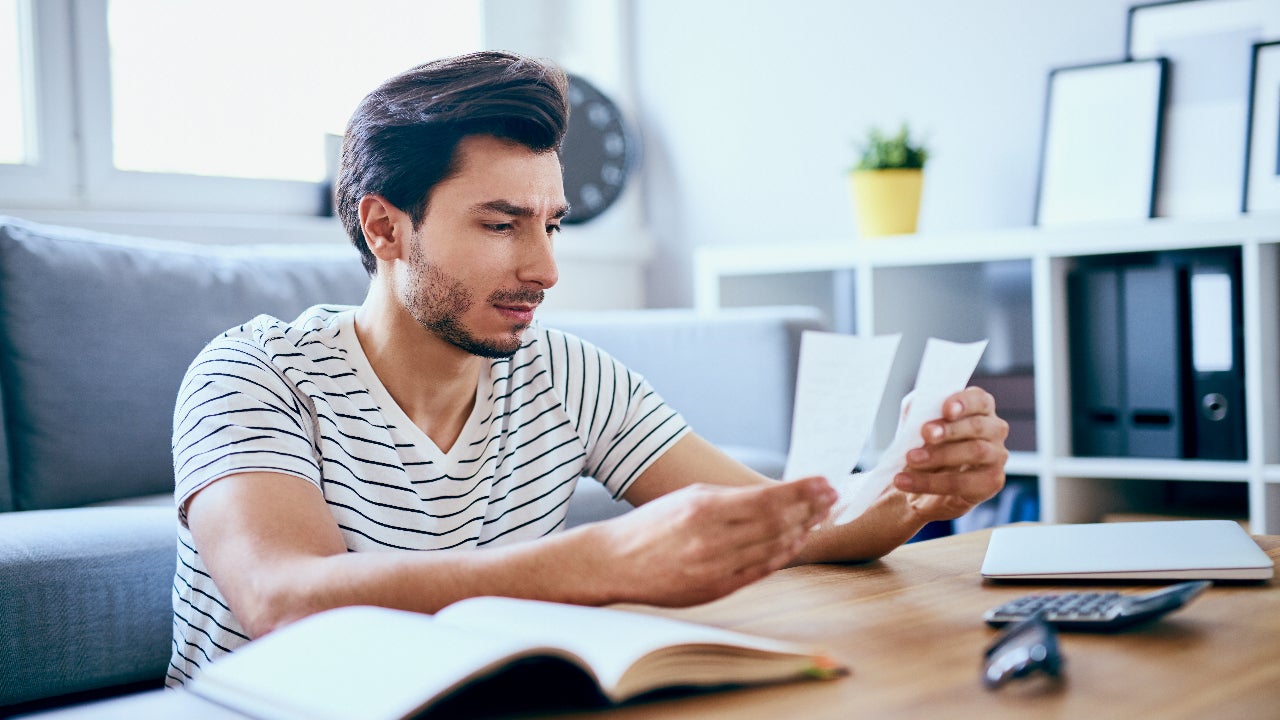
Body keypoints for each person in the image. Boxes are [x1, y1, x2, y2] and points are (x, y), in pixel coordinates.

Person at [167, 51, 1008, 687]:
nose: (545, 269)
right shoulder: (252, 372)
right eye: (501, 225)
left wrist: (911, 490)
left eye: (551, 225)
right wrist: (598, 563)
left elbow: (781, 524)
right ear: (385, 229)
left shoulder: (568, 376)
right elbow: (281, 600)